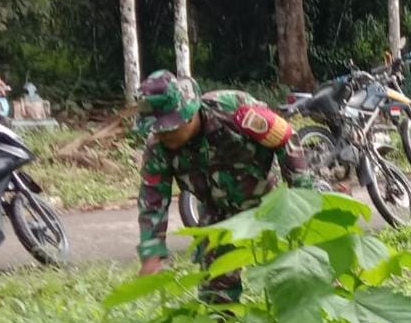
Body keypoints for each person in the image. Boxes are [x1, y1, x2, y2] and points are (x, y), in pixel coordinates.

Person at [134, 70, 313, 302]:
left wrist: (302, 204)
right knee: (216, 289)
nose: (161, 135)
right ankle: (220, 321)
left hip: (270, 201)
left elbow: (286, 139)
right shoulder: (159, 147)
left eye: (168, 128)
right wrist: (152, 255)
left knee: (291, 277)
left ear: (189, 114)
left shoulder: (236, 112)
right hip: (217, 211)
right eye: (156, 129)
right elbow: (152, 199)